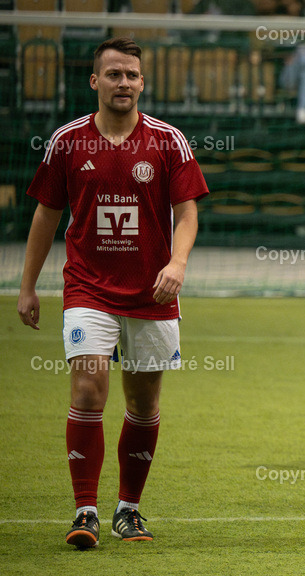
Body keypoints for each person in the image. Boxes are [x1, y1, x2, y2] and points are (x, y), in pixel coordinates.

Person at [17, 37, 207, 548]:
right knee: (88, 388)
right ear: (94, 81)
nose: (124, 83)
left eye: (132, 75)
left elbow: (188, 212)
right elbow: (46, 214)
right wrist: (28, 286)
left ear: (142, 83)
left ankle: (129, 509)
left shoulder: (168, 141)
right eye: (114, 74)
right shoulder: (68, 141)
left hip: (152, 292)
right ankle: (85, 510)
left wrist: (178, 262)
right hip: (88, 289)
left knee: (143, 403)